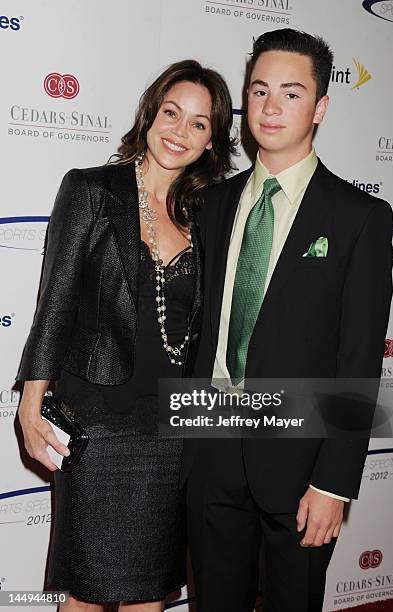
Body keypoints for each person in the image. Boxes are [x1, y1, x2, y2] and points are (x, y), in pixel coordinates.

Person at [183, 29, 393, 612]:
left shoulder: (360, 217)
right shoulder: (212, 204)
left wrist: (335, 481)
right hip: (212, 442)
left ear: (321, 106)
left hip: (303, 461)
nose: (271, 108)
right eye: (259, 91)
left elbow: (359, 361)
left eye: (292, 93)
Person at [16, 59, 235, 611]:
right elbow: (55, 302)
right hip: (97, 420)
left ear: (213, 141)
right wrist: (30, 403)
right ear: (150, 114)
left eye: (198, 123)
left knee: (151, 591)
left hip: (171, 425)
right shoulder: (92, 189)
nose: (179, 132)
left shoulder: (206, 214)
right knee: (87, 592)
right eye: (171, 113)